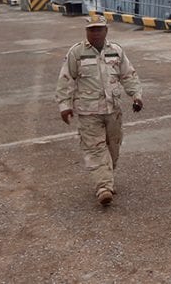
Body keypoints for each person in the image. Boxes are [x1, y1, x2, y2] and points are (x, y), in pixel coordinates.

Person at [54, 15, 144, 206]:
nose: (95, 33)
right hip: (88, 112)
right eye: (91, 29)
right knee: (95, 149)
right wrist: (64, 105)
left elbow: (128, 75)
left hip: (113, 110)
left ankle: (107, 178)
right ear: (86, 31)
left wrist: (136, 96)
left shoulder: (116, 51)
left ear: (106, 31)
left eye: (99, 29)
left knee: (113, 148)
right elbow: (66, 79)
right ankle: (103, 187)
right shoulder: (76, 52)